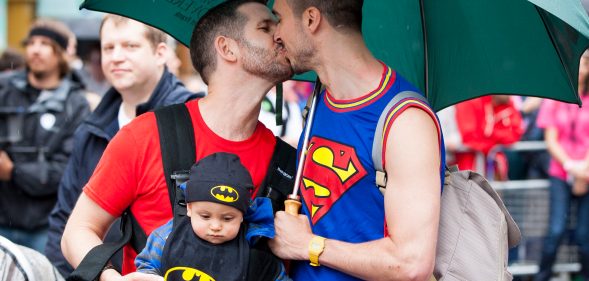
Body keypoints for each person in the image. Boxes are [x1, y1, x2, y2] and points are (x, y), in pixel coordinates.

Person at [61, 1, 293, 280]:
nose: (280, 35)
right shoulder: (145, 135)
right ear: (227, 48)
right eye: (266, 27)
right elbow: (78, 230)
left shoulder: (288, 163)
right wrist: (111, 277)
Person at [269, 1, 445, 280]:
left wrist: (308, 246)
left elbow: (411, 263)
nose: (276, 34)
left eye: (279, 18)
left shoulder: (405, 121)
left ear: (311, 19)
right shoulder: (319, 100)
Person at [45, 15, 200, 277]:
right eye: (108, 48)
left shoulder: (194, 119)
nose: (116, 57)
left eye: (130, 46)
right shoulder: (91, 129)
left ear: (160, 53)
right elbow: (65, 217)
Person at [0, 19, 90, 252]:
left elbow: (67, 169)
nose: (35, 49)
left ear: (60, 53)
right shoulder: (5, 90)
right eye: (31, 43)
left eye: (45, 43)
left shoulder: (75, 103)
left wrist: (13, 172)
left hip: (45, 226)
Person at [135, 152, 290, 280]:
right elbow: (147, 266)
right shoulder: (169, 237)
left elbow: (277, 276)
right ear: (189, 208)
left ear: (243, 215)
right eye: (205, 216)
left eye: (227, 218)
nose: (216, 226)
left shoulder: (252, 247)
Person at [534, 51, 589, 281]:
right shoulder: (556, 97)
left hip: (586, 172)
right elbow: (550, 139)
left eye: (585, 61)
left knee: (585, 236)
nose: (581, 65)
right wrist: (571, 167)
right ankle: (541, 277)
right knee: (555, 231)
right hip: (561, 171)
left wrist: (584, 171)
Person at [454, 95, 523, 180]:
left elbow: (515, 134)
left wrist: (491, 137)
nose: (510, 94)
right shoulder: (469, 100)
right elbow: (470, 137)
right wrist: (492, 143)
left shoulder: (505, 102)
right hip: (467, 169)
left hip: (492, 167)